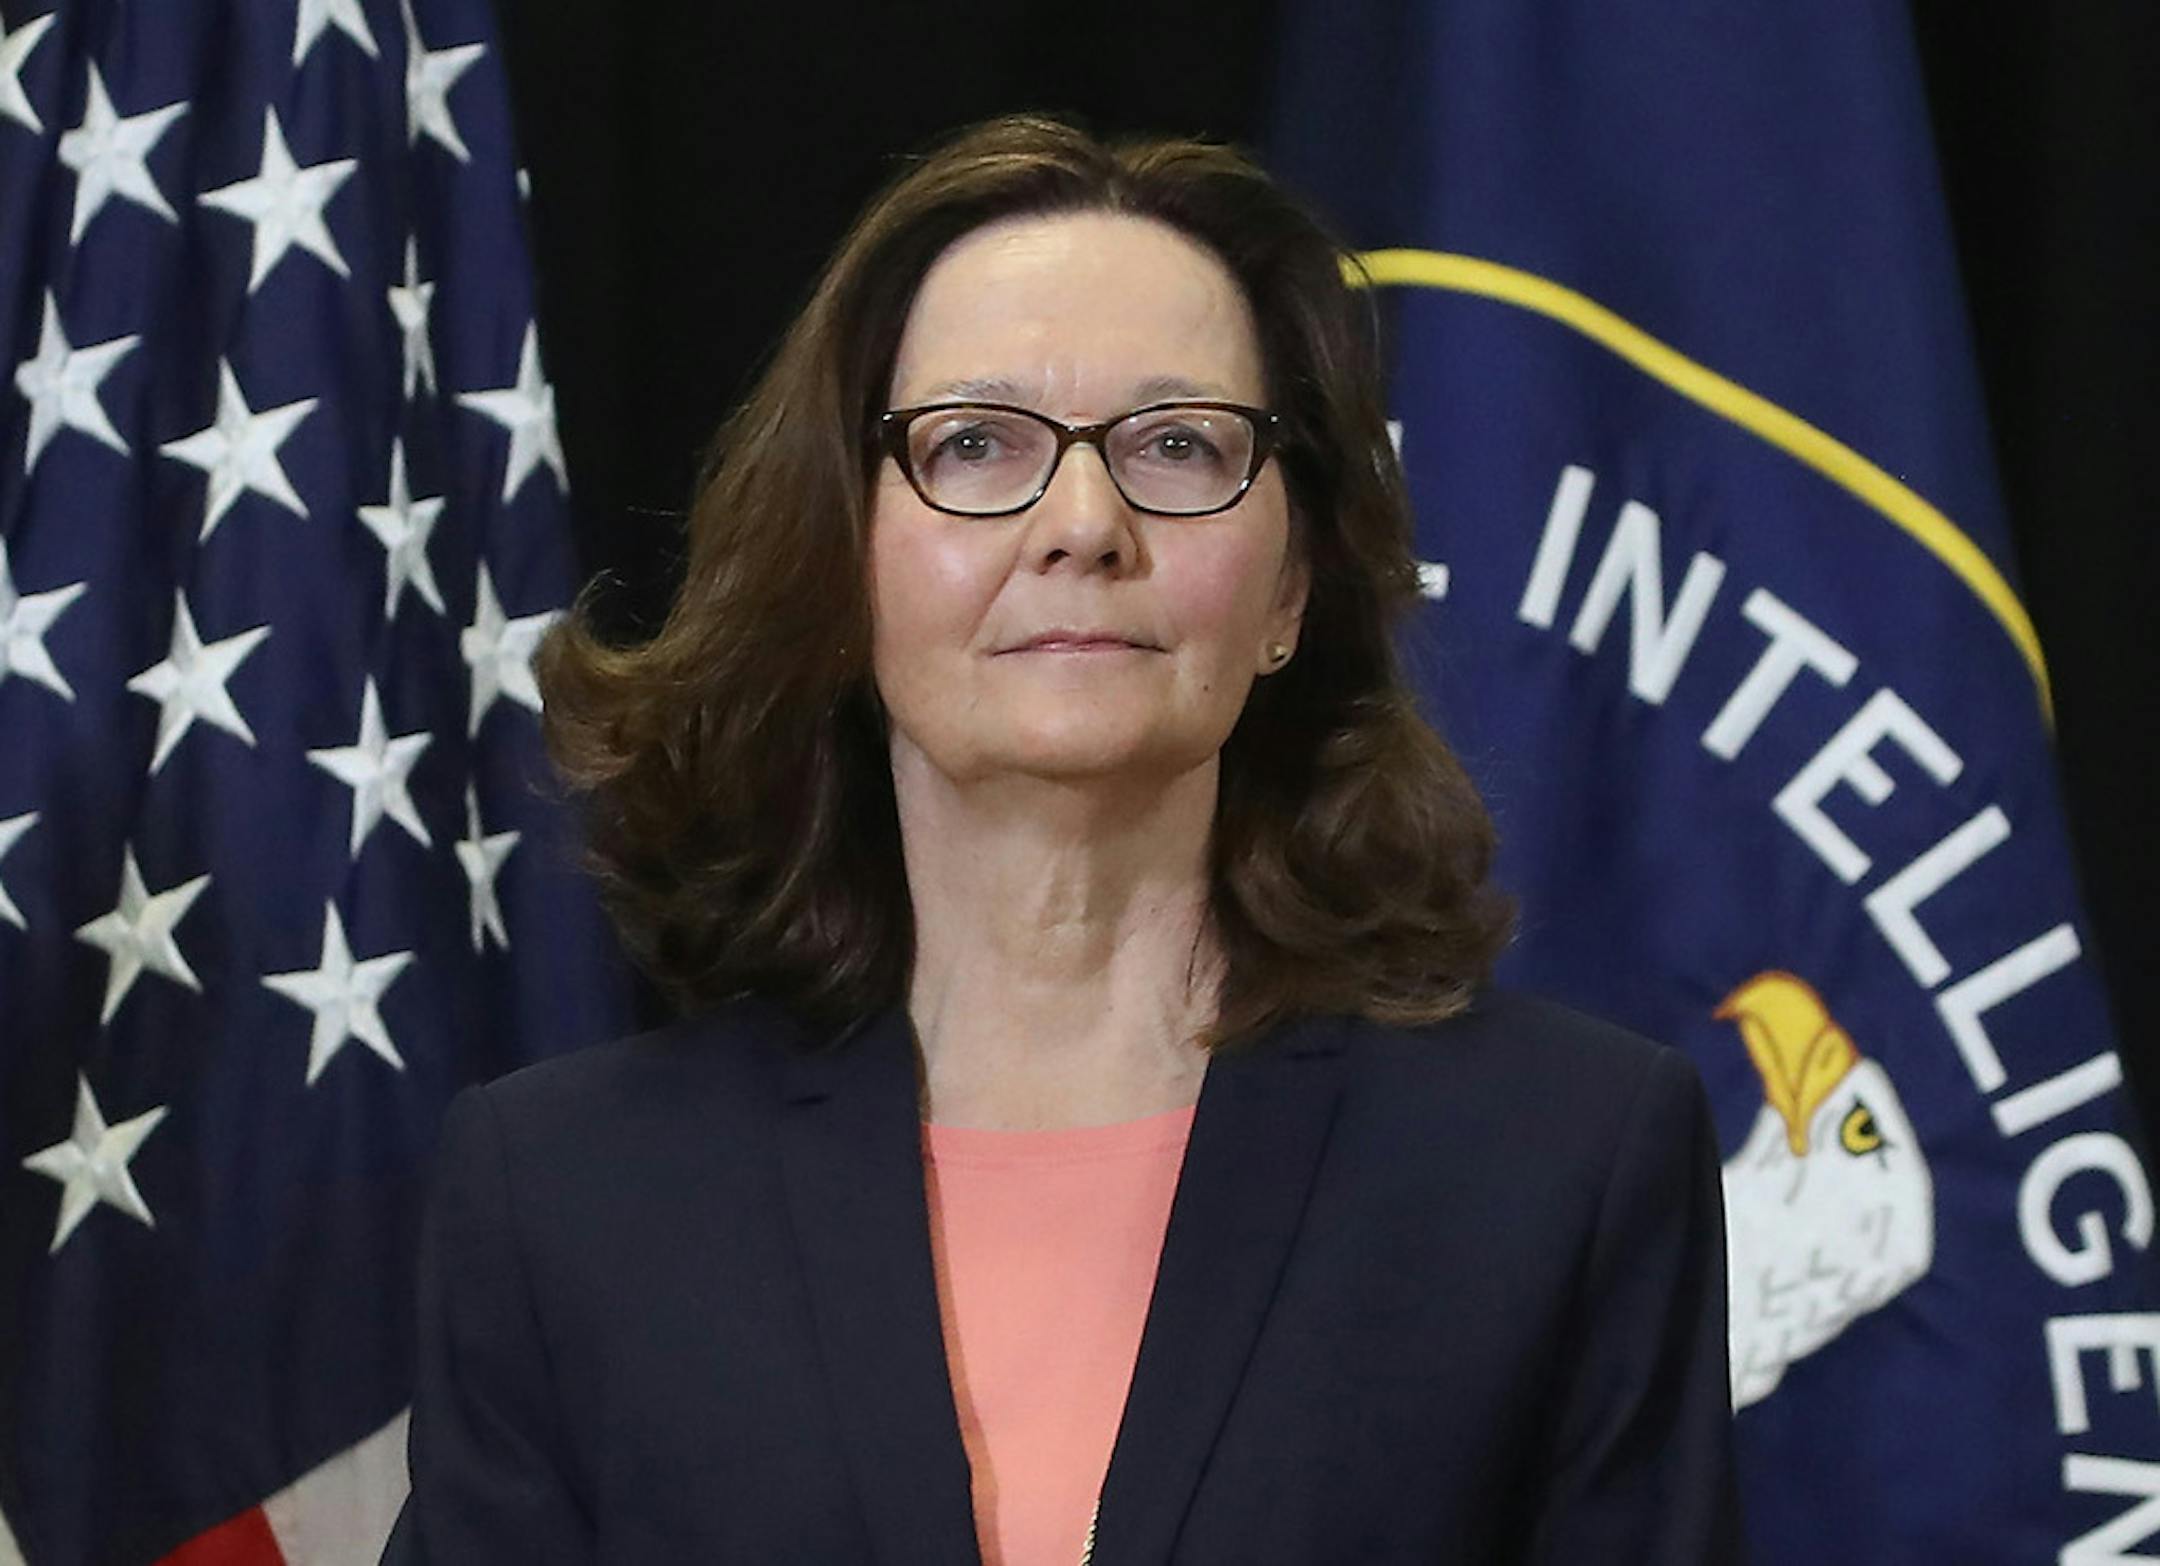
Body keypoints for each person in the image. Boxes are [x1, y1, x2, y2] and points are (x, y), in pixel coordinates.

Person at [383, 114, 1743, 1565]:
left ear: (1290, 590)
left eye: (1179, 444)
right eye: (975, 444)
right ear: (842, 558)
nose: (1083, 521)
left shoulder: (1566, 1165)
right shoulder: (565, 1197)